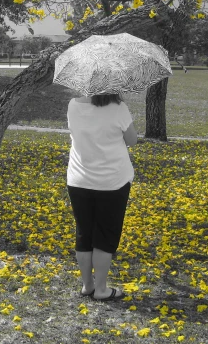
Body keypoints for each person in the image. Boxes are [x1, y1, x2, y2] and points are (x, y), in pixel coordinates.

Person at [66, 92, 137, 301]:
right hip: (112, 182)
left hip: (79, 180)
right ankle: (102, 289)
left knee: (84, 234)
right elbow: (132, 140)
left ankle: (87, 285)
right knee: (105, 236)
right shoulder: (117, 108)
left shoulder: (73, 105)